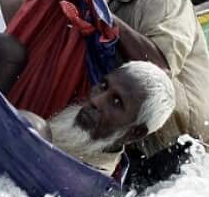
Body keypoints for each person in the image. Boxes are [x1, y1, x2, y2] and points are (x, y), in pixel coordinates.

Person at [74, 0, 209, 190]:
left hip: (180, 149)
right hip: (130, 149)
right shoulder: (100, 1)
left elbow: (159, 70)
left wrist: (101, 10)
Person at [19, 61, 176, 176]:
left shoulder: (93, 182)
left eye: (116, 102)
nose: (96, 101)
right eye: (103, 86)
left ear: (135, 133)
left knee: (35, 127)